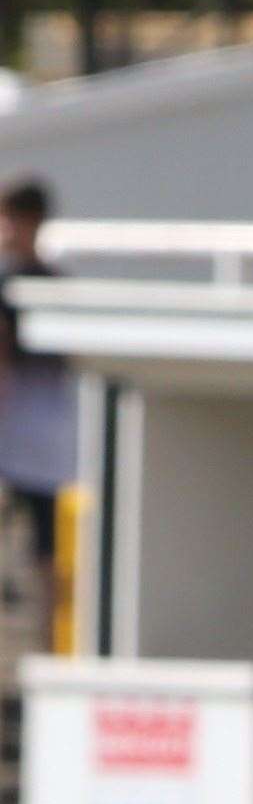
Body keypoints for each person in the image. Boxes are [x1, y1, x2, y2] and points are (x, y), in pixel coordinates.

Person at [0, 178, 74, 607]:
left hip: (41, 449)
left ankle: (51, 643)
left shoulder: (49, 286)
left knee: (48, 557)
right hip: (16, 448)